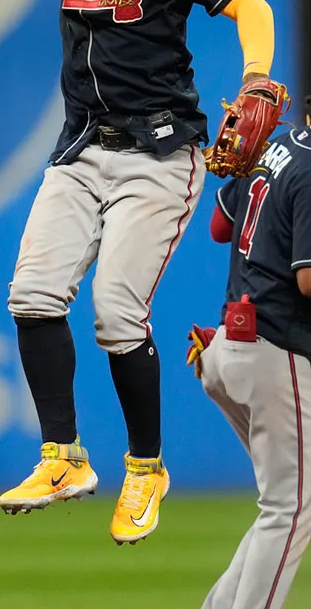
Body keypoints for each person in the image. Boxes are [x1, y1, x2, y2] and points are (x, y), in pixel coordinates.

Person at [0, 0, 277, 544]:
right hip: (83, 149)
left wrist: (257, 79)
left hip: (161, 154)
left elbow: (248, 3)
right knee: (31, 296)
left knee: (118, 313)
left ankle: (146, 470)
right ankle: (64, 455)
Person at [186, 108, 311, 609]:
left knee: (285, 503)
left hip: (228, 349)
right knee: (291, 506)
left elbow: (220, 225)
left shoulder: (279, 147)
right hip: (275, 352)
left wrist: (244, 166)